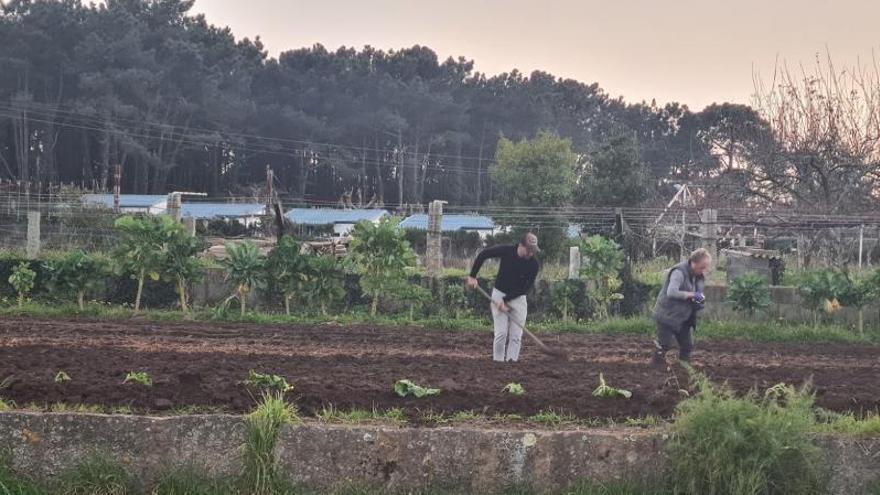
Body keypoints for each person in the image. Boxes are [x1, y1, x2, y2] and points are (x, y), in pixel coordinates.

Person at [467, 233, 540, 362]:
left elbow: (525, 288)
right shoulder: (507, 251)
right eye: (529, 250)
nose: (531, 254)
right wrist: (472, 276)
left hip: (518, 298)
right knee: (501, 334)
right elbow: (484, 254)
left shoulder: (533, 264)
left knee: (516, 336)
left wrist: (505, 300)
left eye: (533, 251)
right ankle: (498, 365)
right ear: (521, 246)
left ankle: (511, 365)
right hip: (499, 294)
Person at [652, 248, 712, 367]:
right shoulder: (679, 272)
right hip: (667, 315)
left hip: (683, 317)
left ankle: (684, 370)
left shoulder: (697, 276)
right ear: (694, 262)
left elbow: (696, 294)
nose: (705, 269)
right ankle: (656, 370)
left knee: (687, 346)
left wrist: (699, 300)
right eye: (703, 266)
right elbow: (671, 292)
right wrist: (691, 295)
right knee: (665, 346)